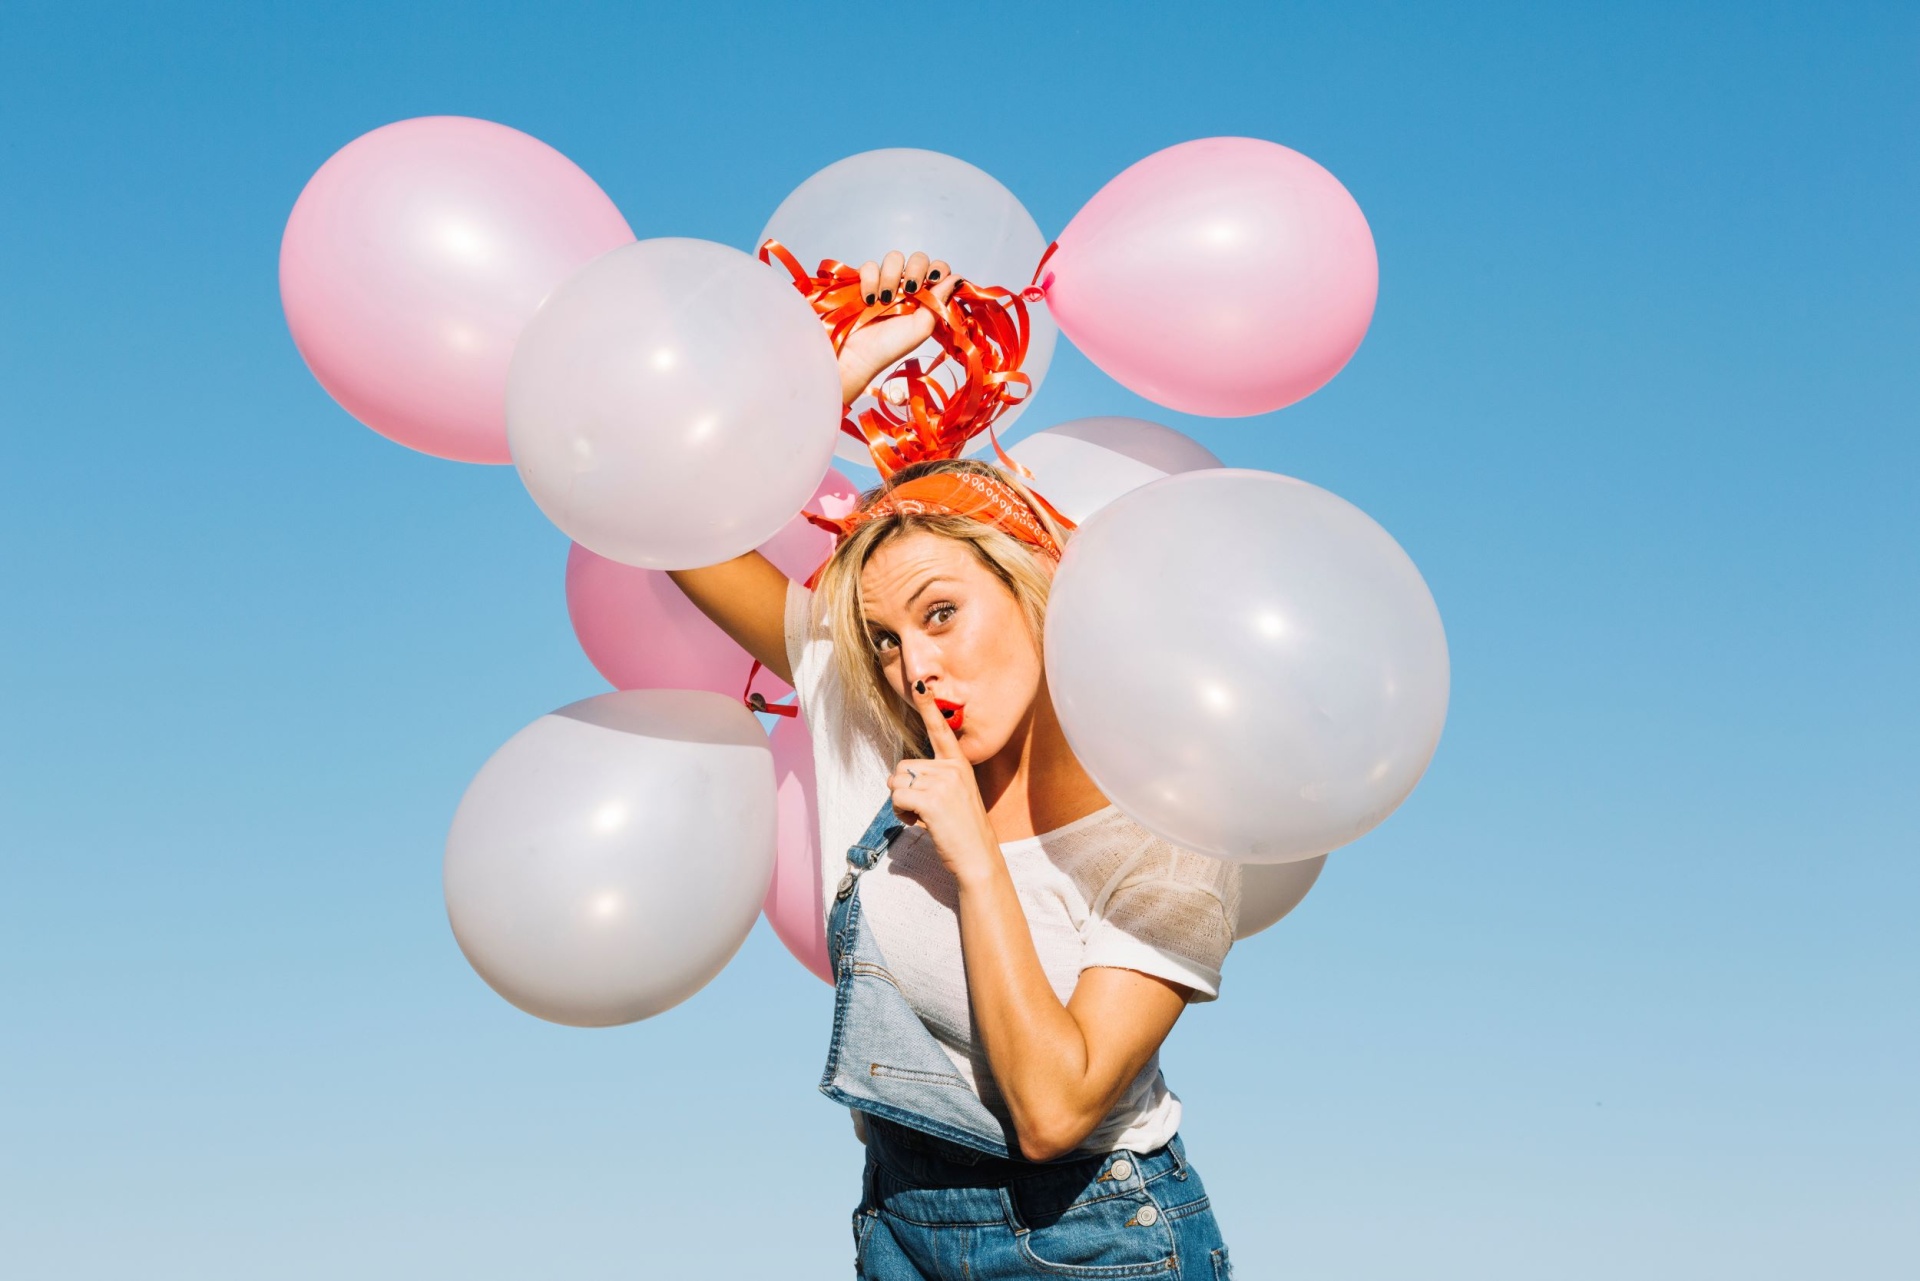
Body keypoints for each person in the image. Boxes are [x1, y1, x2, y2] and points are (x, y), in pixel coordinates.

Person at [669, 250, 1240, 1280]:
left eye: (942, 613)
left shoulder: (1162, 828)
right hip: (898, 1225)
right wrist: (836, 371)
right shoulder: (875, 708)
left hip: (1095, 1240)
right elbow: (672, 515)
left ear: (1031, 592)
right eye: (883, 638)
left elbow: (1056, 1112)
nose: (913, 667)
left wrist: (977, 862)